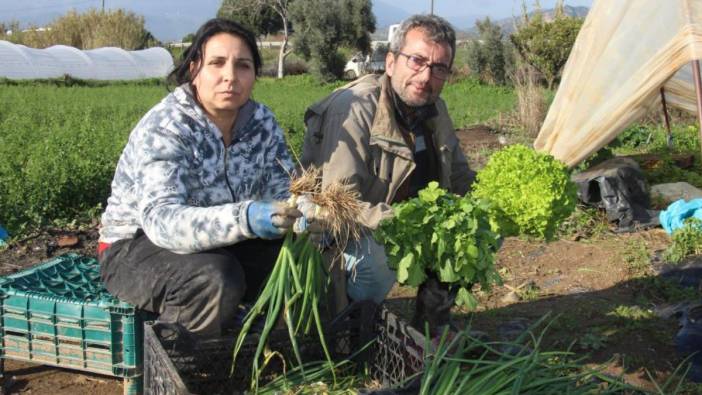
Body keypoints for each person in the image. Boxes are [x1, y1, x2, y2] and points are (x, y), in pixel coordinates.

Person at [98, 18, 307, 339]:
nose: (230, 77)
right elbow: (161, 221)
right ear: (195, 68)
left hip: (224, 242)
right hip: (135, 245)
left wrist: (302, 214)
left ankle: (277, 353)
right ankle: (183, 367)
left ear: (254, 75)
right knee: (215, 278)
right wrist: (246, 217)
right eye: (217, 63)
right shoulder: (168, 126)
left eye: (243, 66)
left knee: (305, 260)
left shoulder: (261, 122)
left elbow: (283, 189)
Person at [300, 15, 474, 322]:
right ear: (391, 62)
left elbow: (459, 176)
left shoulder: (435, 110)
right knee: (380, 257)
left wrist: (491, 203)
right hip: (341, 236)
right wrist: (405, 224)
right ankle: (353, 324)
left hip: (406, 224)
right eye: (417, 61)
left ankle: (432, 321)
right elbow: (339, 204)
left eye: (439, 68)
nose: (425, 76)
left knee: (475, 228)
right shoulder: (354, 109)